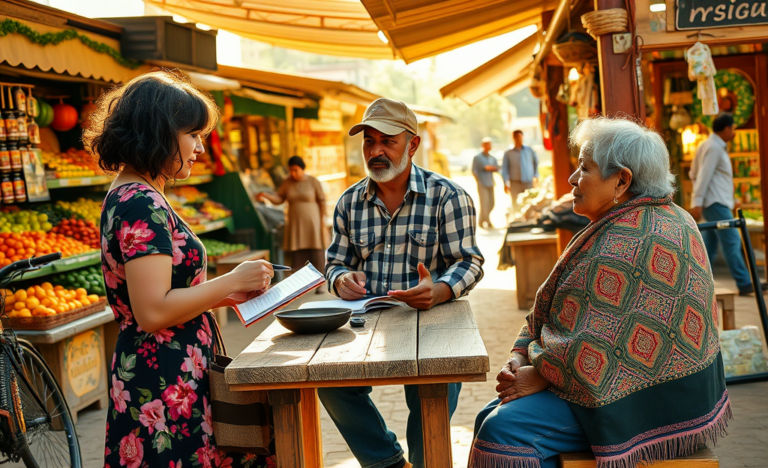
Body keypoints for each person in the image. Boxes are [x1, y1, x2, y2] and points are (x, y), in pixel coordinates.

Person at [470, 117, 730, 468]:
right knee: (490, 414)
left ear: (622, 180)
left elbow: (602, 347)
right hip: (671, 388)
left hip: (656, 401)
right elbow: (581, 328)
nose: (572, 179)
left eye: (584, 168)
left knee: (503, 430)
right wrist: (520, 359)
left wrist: (541, 374)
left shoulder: (632, 239)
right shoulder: (663, 216)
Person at [85, 71, 275, 468]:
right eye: (193, 135)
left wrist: (229, 294)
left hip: (172, 372)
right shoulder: (139, 202)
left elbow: (168, 296)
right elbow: (153, 311)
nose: (200, 148)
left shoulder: (141, 194)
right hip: (165, 380)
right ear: (158, 133)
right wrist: (232, 278)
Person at [322, 97, 485, 468]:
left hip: (433, 321)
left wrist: (440, 290)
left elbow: (470, 262)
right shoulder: (349, 202)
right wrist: (341, 279)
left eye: (387, 141)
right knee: (329, 382)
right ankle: (388, 463)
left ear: (412, 144)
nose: (375, 151)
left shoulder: (449, 197)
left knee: (433, 397)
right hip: (367, 324)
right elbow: (334, 263)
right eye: (369, 141)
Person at [689, 113, 759, 295]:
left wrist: (731, 198)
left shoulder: (708, 144)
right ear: (727, 128)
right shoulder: (714, 147)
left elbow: (695, 173)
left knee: (709, 247)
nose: (735, 132)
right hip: (715, 202)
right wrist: (696, 202)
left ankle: (698, 284)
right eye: (734, 128)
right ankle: (744, 283)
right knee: (732, 242)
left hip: (715, 201)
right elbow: (703, 176)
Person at [257, 155, 326, 291]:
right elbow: (279, 199)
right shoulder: (287, 182)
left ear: (302, 169)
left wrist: (322, 220)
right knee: (297, 253)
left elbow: (322, 201)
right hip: (295, 223)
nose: (293, 174)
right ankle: (300, 284)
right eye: (291, 171)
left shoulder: (313, 181)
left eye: (296, 170)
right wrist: (266, 196)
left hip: (313, 222)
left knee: (316, 252)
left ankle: (320, 284)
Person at [502, 129, 539, 215]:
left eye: (520, 137)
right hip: (515, 183)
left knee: (529, 202)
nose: (519, 139)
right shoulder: (508, 152)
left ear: (523, 137)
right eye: (516, 137)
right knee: (516, 203)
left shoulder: (529, 150)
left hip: (528, 182)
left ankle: (528, 221)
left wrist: (536, 175)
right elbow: (504, 169)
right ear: (513, 138)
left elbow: (535, 163)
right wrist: (505, 183)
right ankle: (517, 221)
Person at [472, 137, 499, 229]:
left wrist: (489, 168)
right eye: (486, 144)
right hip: (482, 183)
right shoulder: (478, 158)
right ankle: (488, 221)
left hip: (490, 182)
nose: (489, 146)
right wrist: (478, 180)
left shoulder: (492, 158)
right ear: (483, 146)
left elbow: (497, 168)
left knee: (491, 203)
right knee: (484, 203)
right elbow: (474, 170)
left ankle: (481, 220)